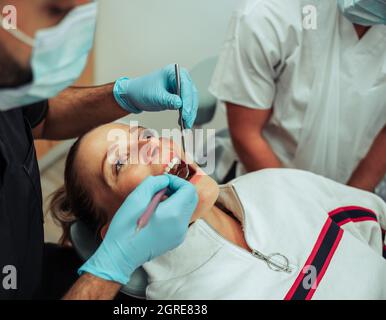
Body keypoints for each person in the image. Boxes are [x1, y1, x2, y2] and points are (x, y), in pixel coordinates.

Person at [0, 0, 199, 299]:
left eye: (144, 135)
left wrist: (122, 97)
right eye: (56, 11)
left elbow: (42, 116)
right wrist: (110, 269)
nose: (70, 36)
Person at [49, 122, 386, 299]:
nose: (151, 144)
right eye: (120, 162)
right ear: (114, 232)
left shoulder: (276, 185)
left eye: (144, 134)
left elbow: (377, 224)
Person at [209, 0, 386, 198]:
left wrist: (351, 203)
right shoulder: (268, 15)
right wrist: (303, 210)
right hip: (266, 179)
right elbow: (246, 133)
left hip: (354, 183)